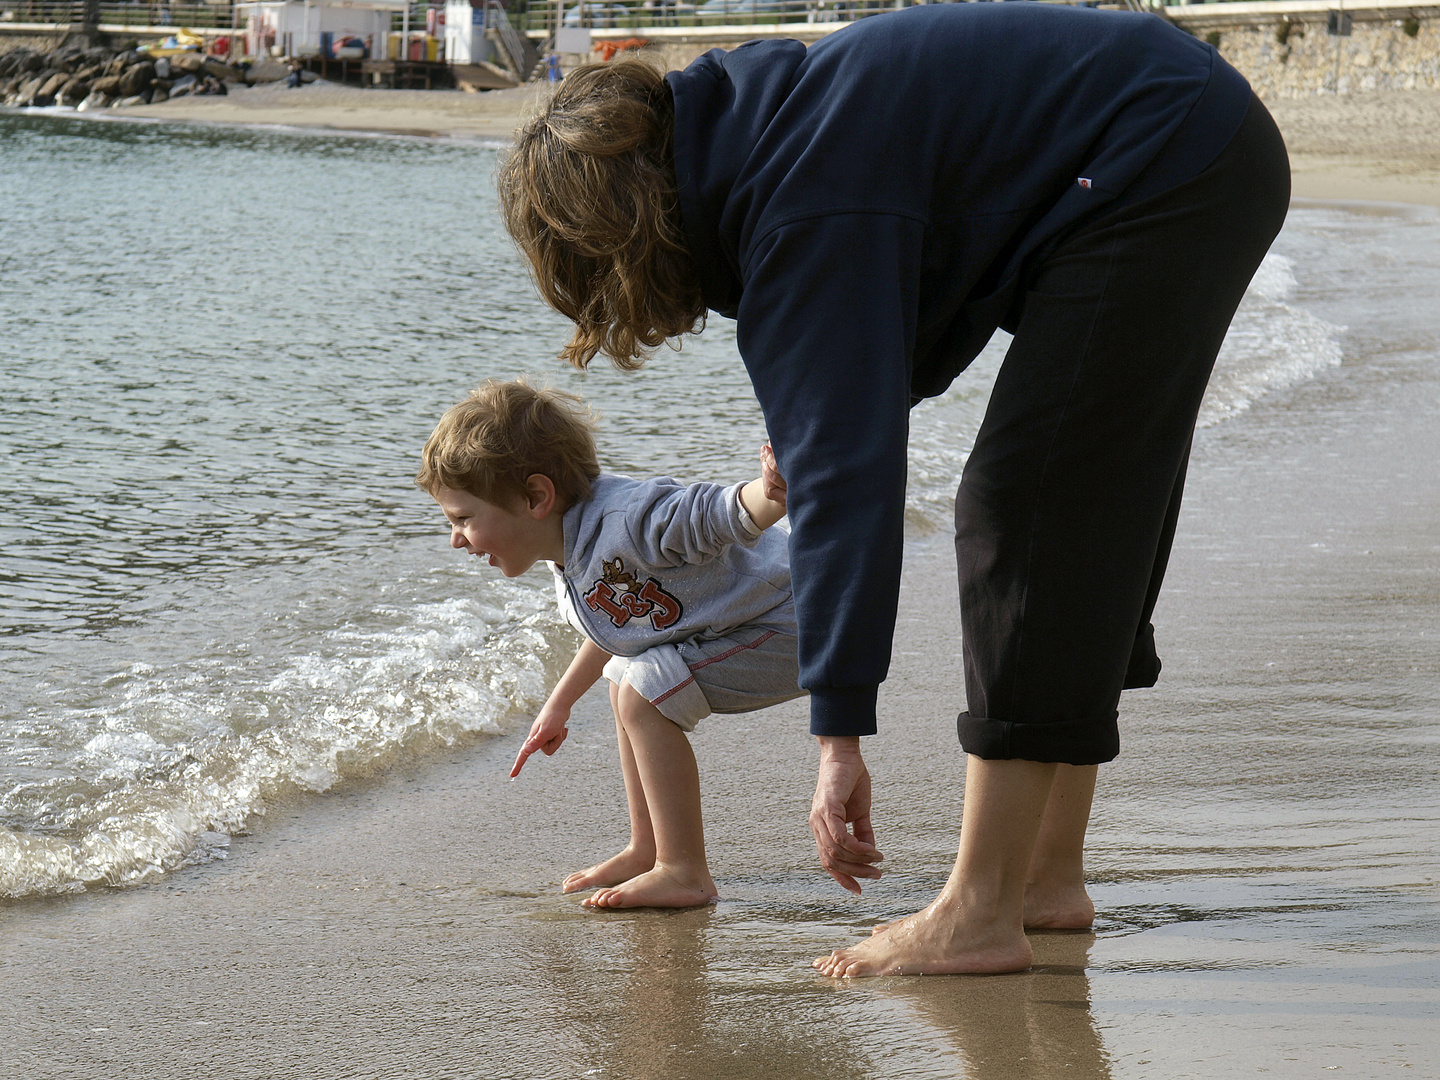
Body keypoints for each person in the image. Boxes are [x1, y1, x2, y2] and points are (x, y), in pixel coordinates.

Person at [497, 3, 1290, 973]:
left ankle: (980, 913)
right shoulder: (758, 134)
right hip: (1183, 135)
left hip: (1161, 157)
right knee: (1088, 497)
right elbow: (918, 282)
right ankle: (1043, 881)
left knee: (1024, 507)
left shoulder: (794, 197)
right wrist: (829, 406)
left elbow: (848, 485)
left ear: (623, 228)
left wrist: (838, 733)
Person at [417, 379, 799, 909]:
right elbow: (622, 626)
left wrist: (771, 490)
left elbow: (708, 514)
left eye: (463, 518)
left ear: (535, 497)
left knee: (643, 691)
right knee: (625, 676)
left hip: (800, 622)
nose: (455, 538)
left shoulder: (629, 519)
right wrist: (559, 704)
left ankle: (684, 870)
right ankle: (649, 847)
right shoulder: (569, 545)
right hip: (752, 625)